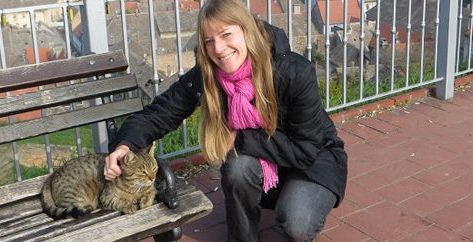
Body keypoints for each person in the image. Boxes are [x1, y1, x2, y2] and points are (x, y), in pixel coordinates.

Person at [104, 0, 347, 241]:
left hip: (313, 162)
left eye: (226, 34)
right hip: (264, 157)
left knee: (298, 225)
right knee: (237, 168)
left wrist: (240, 138)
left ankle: (296, 198)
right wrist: (125, 145)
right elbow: (160, 112)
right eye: (209, 41)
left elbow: (306, 149)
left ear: (246, 30)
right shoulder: (209, 75)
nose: (218, 49)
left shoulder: (294, 71)